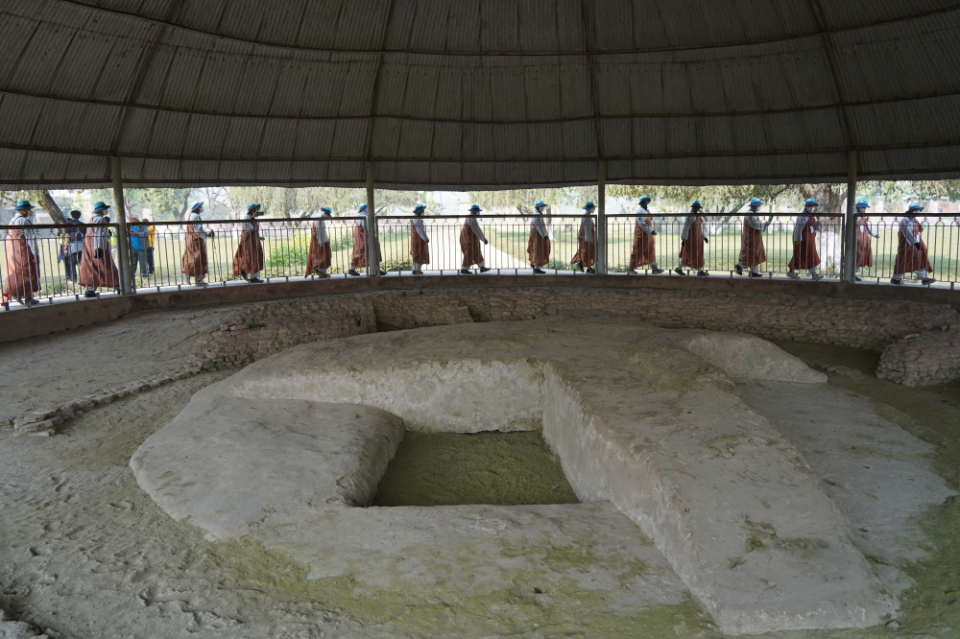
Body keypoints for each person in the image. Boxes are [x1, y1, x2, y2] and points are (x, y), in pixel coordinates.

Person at [2, 200, 41, 307]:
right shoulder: (24, 221)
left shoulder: (13, 220)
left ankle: (20, 294)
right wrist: (36, 254)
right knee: (29, 272)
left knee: (18, 273)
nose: (30, 212)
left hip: (14, 253)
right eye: (29, 209)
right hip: (24, 251)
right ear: (24, 210)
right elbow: (31, 238)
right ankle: (28, 297)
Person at [78, 201, 120, 298]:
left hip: (89, 247)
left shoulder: (92, 219)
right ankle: (118, 286)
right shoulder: (101, 220)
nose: (106, 211)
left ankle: (90, 289)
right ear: (101, 210)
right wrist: (99, 248)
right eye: (105, 209)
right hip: (99, 247)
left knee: (91, 268)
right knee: (106, 266)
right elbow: (99, 235)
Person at [891, 204, 935, 286]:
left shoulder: (914, 220)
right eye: (916, 210)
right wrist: (916, 242)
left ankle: (924, 278)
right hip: (907, 244)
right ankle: (896, 278)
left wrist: (918, 242)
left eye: (918, 210)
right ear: (911, 211)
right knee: (903, 260)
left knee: (918, 259)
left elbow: (918, 231)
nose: (917, 212)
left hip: (915, 243)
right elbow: (907, 233)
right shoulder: (905, 220)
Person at [735, 198, 772, 278]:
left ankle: (753, 272)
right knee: (751, 253)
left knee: (756, 253)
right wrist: (764, 224)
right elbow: (755, 224)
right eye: (759, 205)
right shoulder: (750, 214)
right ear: (755, 206)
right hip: (751, 237)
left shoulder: (752, 214)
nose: (760, 206)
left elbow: (756, 224)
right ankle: (740, 266)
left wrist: (764, 224)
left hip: (755, 237)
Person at [786, 199, 822, 280]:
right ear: (806, 206)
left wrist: (818, 224)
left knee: (805, 254)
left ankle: (791, 271)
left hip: (811, 237)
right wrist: (798, 239)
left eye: (813, 206)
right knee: (805, 254)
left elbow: (816, 227)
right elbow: (798, 228)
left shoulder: (813, 216)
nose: (812, 207)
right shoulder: (802, 216)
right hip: (804, 238)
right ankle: (813, 274)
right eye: (810, 206)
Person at [627, 195, 662, 275]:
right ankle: (631, 268)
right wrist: (651, 231)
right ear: (641, 203)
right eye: (643, 201)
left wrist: (650, 231)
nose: (645, 203)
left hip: (648, 235)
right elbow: (642, 224)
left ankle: (654, 268)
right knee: (637, 251)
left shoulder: (647, 210)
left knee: (650, 250)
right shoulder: (639, 211)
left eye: (646, 201)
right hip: (640, 235)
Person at [348, 204, 386, 276]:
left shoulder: (360, 217)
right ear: (365, 209)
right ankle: (376, 269)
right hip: (365, 237)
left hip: (360, 238)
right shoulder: (365, 217)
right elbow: (369, 228)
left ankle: (352, 269)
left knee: (358, 252)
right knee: (374, 250)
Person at [181, 201, 212, 287]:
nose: (201, 208)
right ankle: (196, 278)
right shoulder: (196, 216)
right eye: (200, 206)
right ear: (197, 208)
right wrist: (207, 234)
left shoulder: (190, 216)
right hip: (196, 241)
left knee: (191, 257)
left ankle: (189, 274)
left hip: (191, 240)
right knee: (199, 259)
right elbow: (199, 230)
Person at [675, 200, 709, 276]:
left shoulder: (698, 215)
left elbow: (701, 227)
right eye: (695, 207)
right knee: (691, 254)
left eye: (698, 207)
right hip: (691, 238)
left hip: (698, 238)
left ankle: (679, 268)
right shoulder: (690, 216)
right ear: (693, 207)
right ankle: (700, 271)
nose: (697, 209)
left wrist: (704, 236)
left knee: (697, 253)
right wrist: (684, 239)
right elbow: (686, 227)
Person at [234, 203, 265, 284]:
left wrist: (258, 237)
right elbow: (249, 229)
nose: (256, 211)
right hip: (248, 241)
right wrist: (252, 218)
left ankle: (254, 276)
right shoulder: (247, 218)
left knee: (256, 256)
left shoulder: (251, 218)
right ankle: (244, 270)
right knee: (250, 257)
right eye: (254, 209)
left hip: (254, 240)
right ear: (251, 210)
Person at [459, 204, 490, 274]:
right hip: (469, 239)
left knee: (477, 252)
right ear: (474, 211)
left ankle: (482, 267)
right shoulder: (471, 219)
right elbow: (476, 230)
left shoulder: (471, 217)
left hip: (471, 238)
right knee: (469, 253)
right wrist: (483, 239)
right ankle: (464, 268)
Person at [523, 200, 551, 274]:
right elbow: (539, 227)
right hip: (538, 236)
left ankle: (533, 264)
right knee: (538, 250)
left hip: (537, 235)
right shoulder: (537, 215)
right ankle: (537, 267)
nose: (543, 208)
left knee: (535, 249)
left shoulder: (537, 214)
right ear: (538, 207)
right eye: (542, 207)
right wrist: (544, 235)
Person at [305, 207, 333, 279]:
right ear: (325, 213)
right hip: (321, 240)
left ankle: (322, 273)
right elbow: (319, 231)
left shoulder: (318, 218)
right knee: (324, 256)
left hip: (321, 240)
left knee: (322, 256)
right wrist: (321, 242)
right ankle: (318, 269)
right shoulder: (319, 219)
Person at [854, 199, 879, 281]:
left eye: (865, 208)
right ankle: (850, 274)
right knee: (856, 257)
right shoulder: (855, 216)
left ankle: (853, 274)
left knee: (860, 256)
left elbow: (868, 227)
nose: (864, 209)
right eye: (862, 207)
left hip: (863, 241)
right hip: (856, 241)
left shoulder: (862, 217)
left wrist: (874, 234)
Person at [59, 209, 85, 283]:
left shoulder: (68, 224)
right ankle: (83, 278)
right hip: (82, 244)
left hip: (72, 244)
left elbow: (67, 236)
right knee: (81, 262)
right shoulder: (83, 224)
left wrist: (66, 246)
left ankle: (74, 279)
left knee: (72, 263)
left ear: (72, 216)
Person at [571, 202, 597, 273]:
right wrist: (589, 239)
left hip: (586, 236)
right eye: (593, 208)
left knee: (585, 251)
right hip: (586, 237)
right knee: (587, 251)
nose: (594, 209)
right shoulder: (586, 217)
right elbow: (587, 229)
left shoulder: (587, 216)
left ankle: (584, 265)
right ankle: (584, 265)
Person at [127, 213, 149, 282]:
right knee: (133, 262)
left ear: (135, 219)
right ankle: (131, 276)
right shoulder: (129, 226)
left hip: (141, 247)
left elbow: (146, 233)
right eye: (130, 219)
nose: (130, 220)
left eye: (131, 219)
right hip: (132, 247)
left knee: (143, 262)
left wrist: (137, 233)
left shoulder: (142, 225)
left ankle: (145, 275)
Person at [409, 204, 430, 275]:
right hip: (419, 239)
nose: (423, 212)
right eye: (423, 211)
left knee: (416, 255)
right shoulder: (417, 220)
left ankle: (414, 269)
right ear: (420, 212)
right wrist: (426, 239)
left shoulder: (414, 219)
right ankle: (417, 270)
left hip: (415, 239)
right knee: (419, 255)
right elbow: (420, 231)